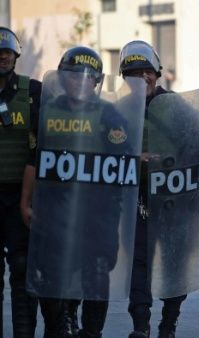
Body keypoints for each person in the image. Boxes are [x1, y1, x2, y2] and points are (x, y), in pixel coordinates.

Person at [21, 46, 132, 338]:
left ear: (96, 81)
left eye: (87, 77)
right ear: (62, 78)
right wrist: (26, 201)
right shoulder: (47, 112)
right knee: (53, 277)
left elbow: (124, 164)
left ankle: (91, 332)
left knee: (96, 274)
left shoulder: (109, 116)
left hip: (97, 214)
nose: (80, 81)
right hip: (54, 212)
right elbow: (33, 159)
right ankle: (60, 325)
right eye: (73, 75)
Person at [119, 40, 187, 338]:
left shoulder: (175, 106)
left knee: (174, 266)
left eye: (147, 71)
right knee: (139, 266)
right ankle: (141, 326)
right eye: (134, 73)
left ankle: (169, 322)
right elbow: (104, 151)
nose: (142, 77)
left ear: (157, 74)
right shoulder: (118, 111)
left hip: (172, 200)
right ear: (125, 78)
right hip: (136, 201)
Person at [0, 25, 40, 338]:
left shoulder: (34, 92)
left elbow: (47, 143)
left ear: (15, 56)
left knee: (23, 271)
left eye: (7, 52)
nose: (2, 57)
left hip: (20, 199)